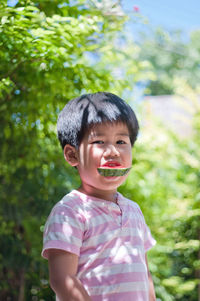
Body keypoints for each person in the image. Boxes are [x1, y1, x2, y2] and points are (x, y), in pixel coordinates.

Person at [42, 92, 156, 301]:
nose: (112, 151)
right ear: (72, 155)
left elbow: (145, 275)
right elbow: (62, 279)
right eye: (100, 142)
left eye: (121, 141)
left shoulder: (134, 210)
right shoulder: (69, 211)